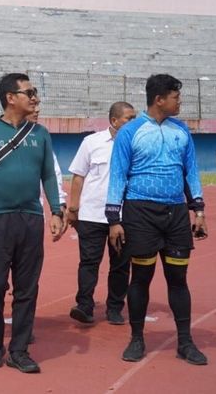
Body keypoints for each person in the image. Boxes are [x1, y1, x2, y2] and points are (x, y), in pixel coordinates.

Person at [0, 73, 65, 374]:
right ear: (10, 97)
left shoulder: (41, 133)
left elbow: (48, 175)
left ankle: (19, 350)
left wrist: (57, 211)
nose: (34, 97)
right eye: (29, 92)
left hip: (32, 219)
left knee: (27, 288)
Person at [106, 74, 209, 365]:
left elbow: (191, 172)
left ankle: (185, 343)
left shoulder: (182, 131)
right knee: (141, 278)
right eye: (176, 97)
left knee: (178, 279)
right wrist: (114, 218)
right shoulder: (131, 131)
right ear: (159, 99)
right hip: (140, 213)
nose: (180, 102)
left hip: (175, 213)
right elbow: (117, 174)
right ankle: (137, 339)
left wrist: (198, 210)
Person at [66, 101, 135, 325]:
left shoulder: (138, 144)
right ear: (114, 121)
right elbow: (78, 176)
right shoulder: (91, 142)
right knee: (89, 263)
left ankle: (115, 308)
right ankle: (84, 305)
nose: (134, 122)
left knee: (121, 265)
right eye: (129, 118)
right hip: (92, 214)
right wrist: (73, 209)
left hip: (124, 216)